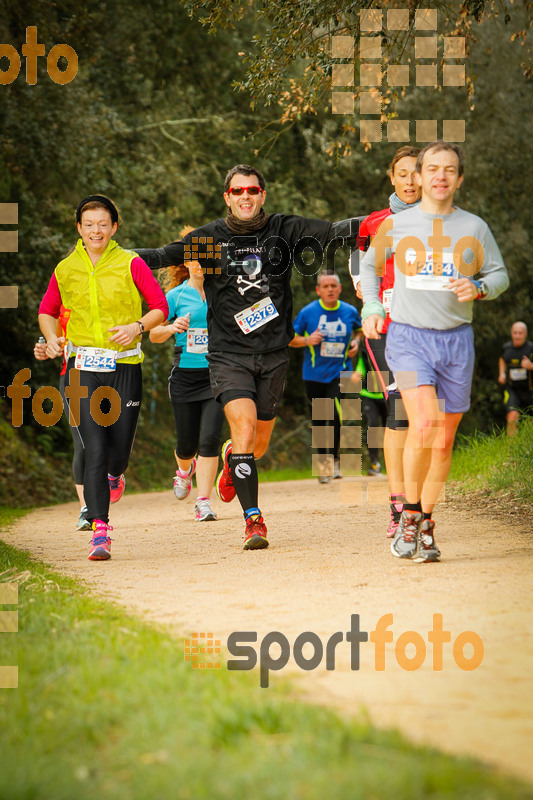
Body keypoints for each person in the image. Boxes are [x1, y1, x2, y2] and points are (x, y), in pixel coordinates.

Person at [136, 164, 362, 550]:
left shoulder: (283, 229)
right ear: (227, 197)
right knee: (243, 432)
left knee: (256, 446)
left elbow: (337, 231)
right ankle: (253, 519)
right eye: (237, 191)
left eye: (252, 190)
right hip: (227, 355)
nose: (245, 196)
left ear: (262, 195)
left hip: (273, 354)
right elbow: (157, 255)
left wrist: (388, 218)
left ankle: (231, 460)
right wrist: (109, 255)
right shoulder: (207, 239)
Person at [360, 141, 509, 563]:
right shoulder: (397, 226)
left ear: (459, 179)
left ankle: (426, 519)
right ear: (420, 176)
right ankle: (407, 517)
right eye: (432, 168)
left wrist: (479, 287)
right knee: (423, 422)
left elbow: (499, 275)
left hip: (456, 340)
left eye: (449, 169)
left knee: (443, 442)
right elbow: (369, 269)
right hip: (407, 338)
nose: (440, 175)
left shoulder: (474, 228)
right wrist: (372, 306)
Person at [38, 195, 168, 561]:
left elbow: (160, 307)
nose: (96, 230)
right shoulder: (65, 268)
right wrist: (51, 339)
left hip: (125, 367)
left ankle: (115, 475)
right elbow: (47, 312)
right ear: (79, 228)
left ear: (114, 227)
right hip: (81, 369)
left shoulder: (131, 263)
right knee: (93, 448)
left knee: (118, 452)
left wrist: (136, 326)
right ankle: (100, 530)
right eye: (89, 224)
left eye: (103, 223)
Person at [353, 145, 420, 536]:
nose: (410, 181)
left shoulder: (441, 221)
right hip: (387, 328)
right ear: (391, 177)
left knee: (425, 418)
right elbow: (360, 261)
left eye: (417, 173)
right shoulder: (375, 222)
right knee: (399, 414)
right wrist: (366, 295)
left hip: (429, 330)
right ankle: (399, 504)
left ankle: (419, 501)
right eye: (403, 173)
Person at [149, 248, 225, 522]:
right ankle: (184, 471)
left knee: (210, 440)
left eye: (206, 261)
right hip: (184, 377)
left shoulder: (222, 290)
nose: (200, 266)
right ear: (187, 263)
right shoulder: (175, 296)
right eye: (195, 260)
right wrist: (171, 328)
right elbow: (153, 333)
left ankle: (203, 502)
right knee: (186, 445)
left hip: (217, 375)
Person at [290, 271, 361, 483]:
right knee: (320, 418)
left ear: (339, 288)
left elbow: (359, 330)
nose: (330, 289)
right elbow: (289, 338)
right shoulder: (307, 312)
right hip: (313, 374)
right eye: (325, 286)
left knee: (331, 409)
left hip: (341, 371)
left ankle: (334, 461)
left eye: (333, 285)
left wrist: (356, 342)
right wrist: (307, 340)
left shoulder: (349, 311)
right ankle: (324, 463)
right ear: (318, 290)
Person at [34, 309, 89, 531]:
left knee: (113, 441)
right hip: (73, 377)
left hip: (113, 375)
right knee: (83, 443)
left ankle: (114, 473)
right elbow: (55, 342)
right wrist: (46, 349)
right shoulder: (61, 303)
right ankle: (87, 508)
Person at [352, 343, 387, 476]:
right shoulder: (365, 354)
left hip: (387, 395)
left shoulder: (392, 349)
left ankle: (394, 464)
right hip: (369, 396)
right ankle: (374, 464)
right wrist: (355, 376)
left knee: (390, 429)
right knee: (372, 426)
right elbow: (359, 371)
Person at [498, 321, 533, 434]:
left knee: (529, 421)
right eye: (515, 333)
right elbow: (502, 360)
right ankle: (511, 448)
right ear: (511, 333)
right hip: (512, 389)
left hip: (530, 390)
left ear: (525, 334)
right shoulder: (506, 348)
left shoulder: (531, 348)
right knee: (512, 416)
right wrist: (501, 373)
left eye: (520, 333)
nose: (517, 336)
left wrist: (530, 366)